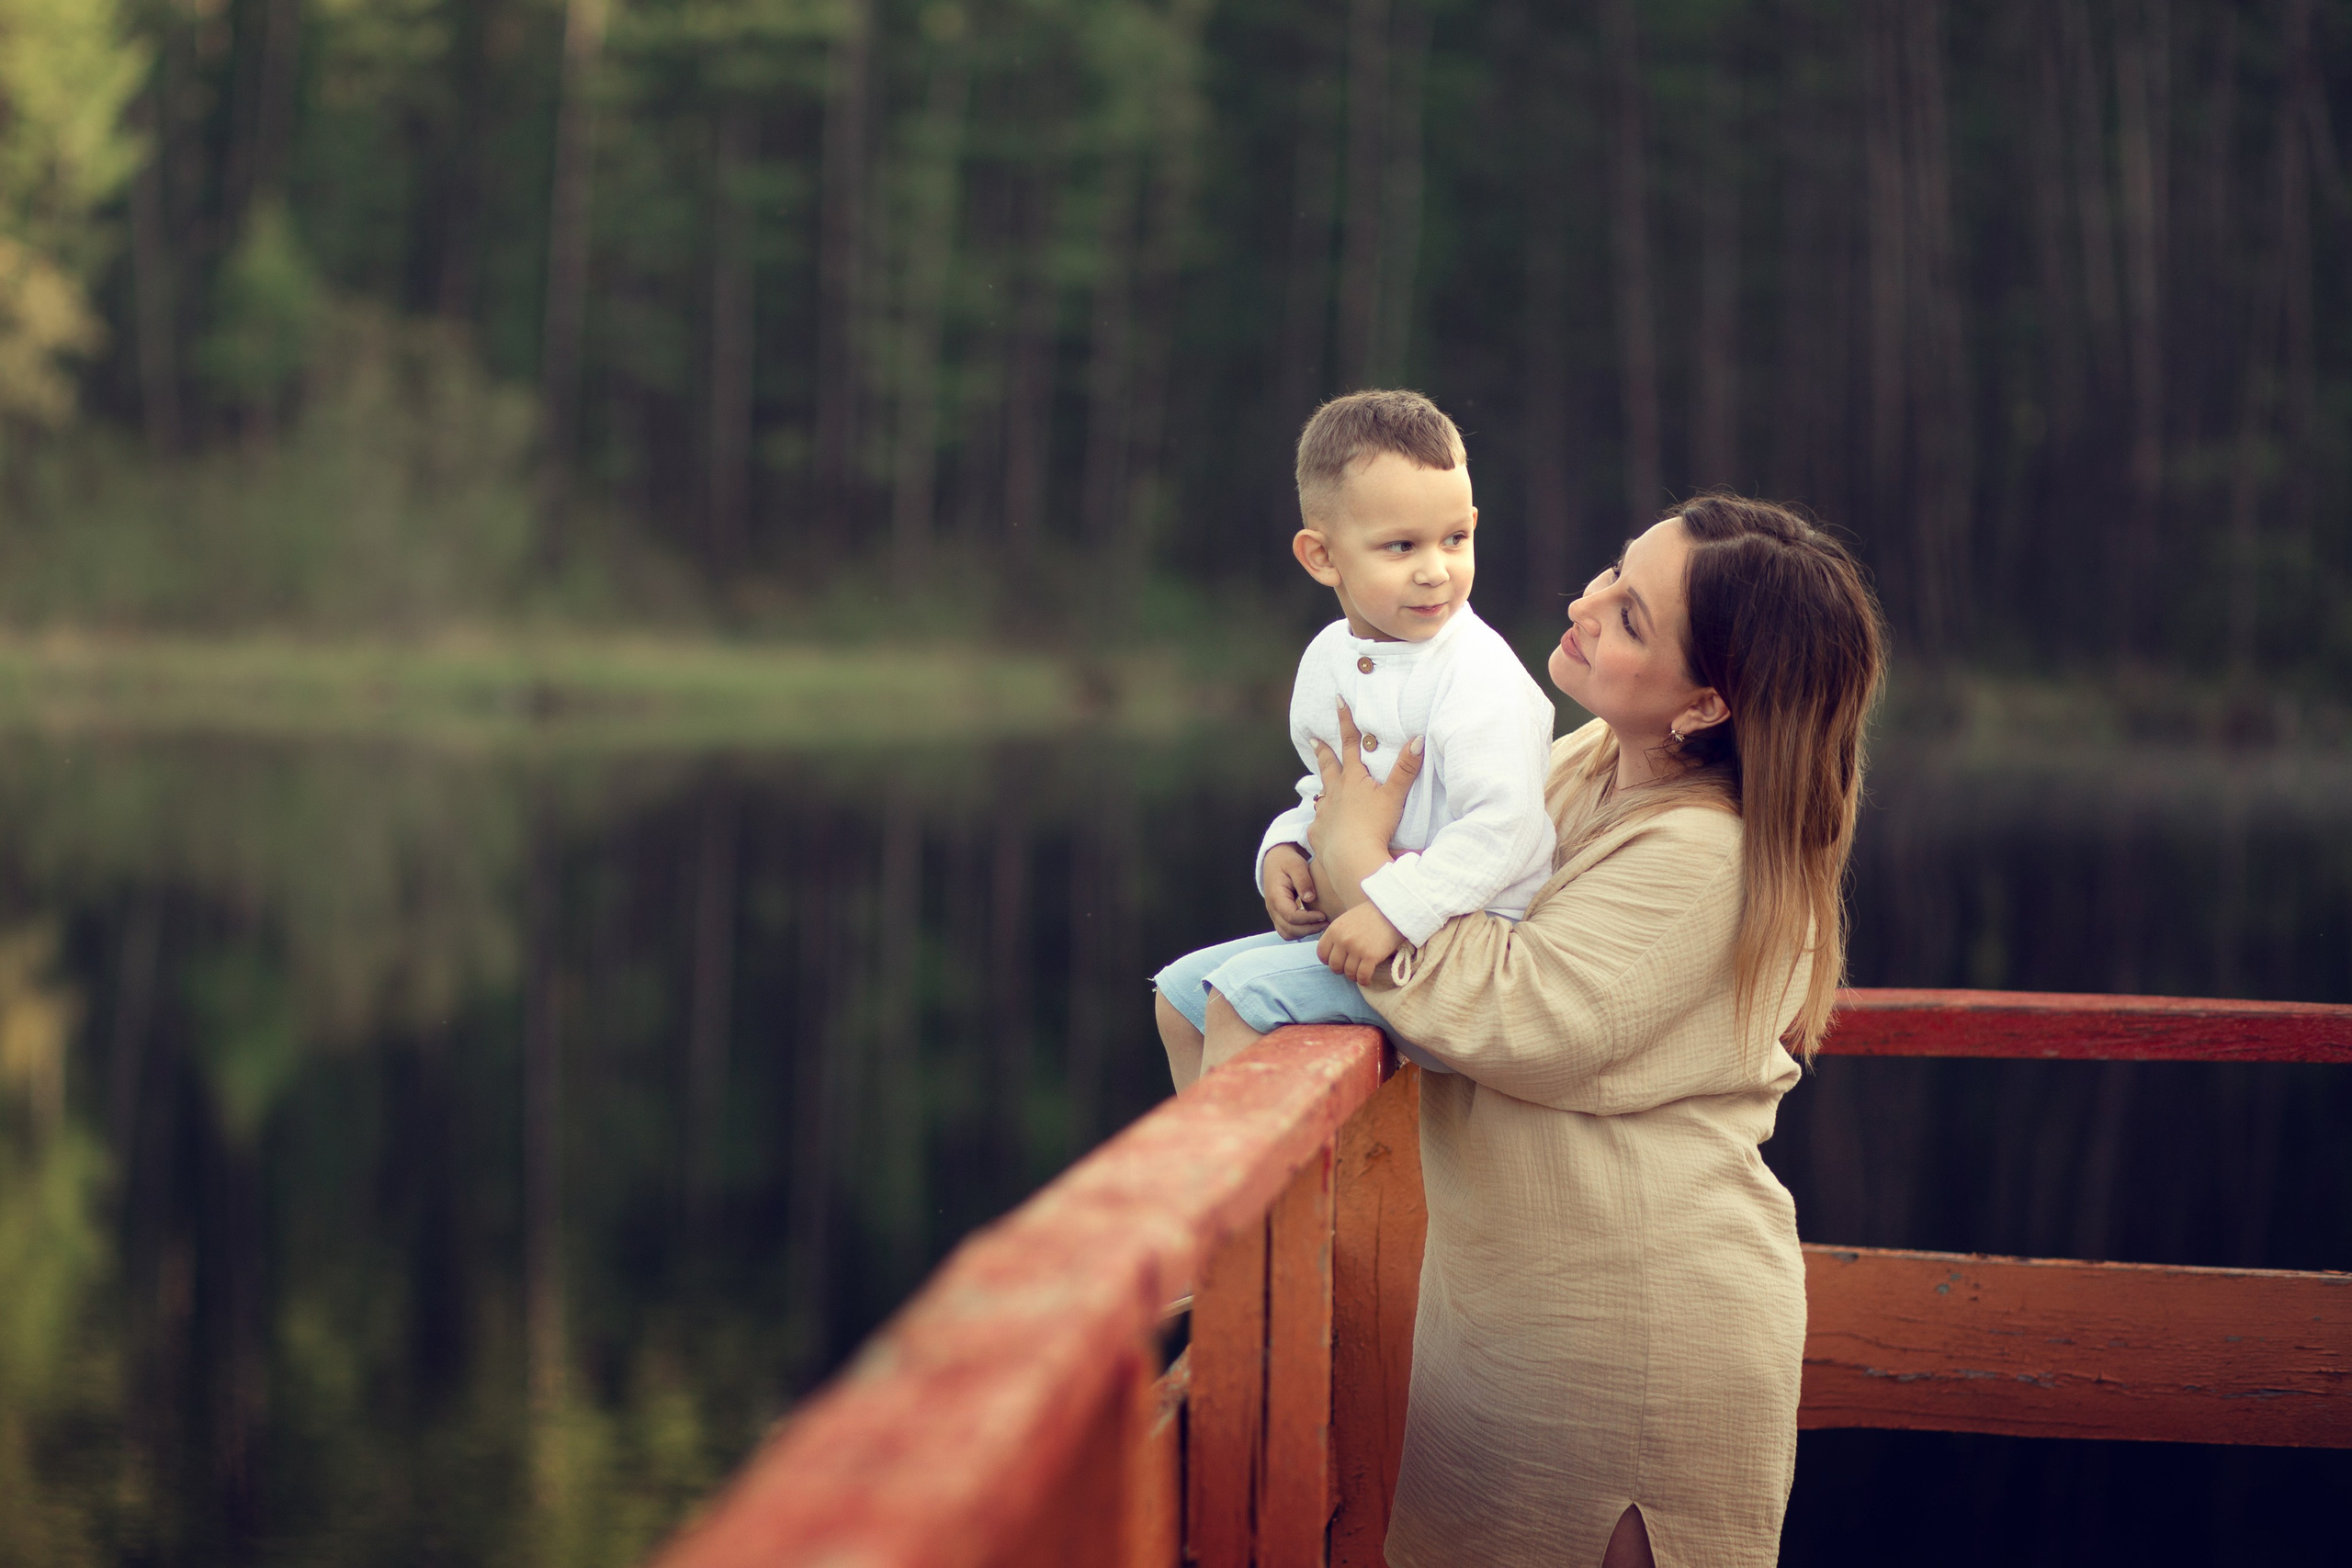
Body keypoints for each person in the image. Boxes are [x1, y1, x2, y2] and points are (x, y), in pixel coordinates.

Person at [1222, 493, 1885, 1568]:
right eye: (1610, 574)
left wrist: (1357, 865)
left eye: (1629, 617)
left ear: (1707, 703)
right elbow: (1407, 838)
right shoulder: (1582, 765)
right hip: (1504, 1320)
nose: (1583, 604)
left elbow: (1505, 1009)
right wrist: (1298, 851)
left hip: (1628, 1337)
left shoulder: (1704, 858)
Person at [1151, 389, 1555, 1089]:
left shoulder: (1478, 673)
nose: (1436, 569)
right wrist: (1287, 846)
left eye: (1455, 539)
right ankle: (1204, 1182)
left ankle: (1258, 1196)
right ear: (1322, 556)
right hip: (1366, 917)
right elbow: (1326, 789)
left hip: (1466, 938)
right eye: (1401, 546)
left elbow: (1506, 828)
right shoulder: (1328, 661)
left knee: (1242, 999)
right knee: (1181, 995)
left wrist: (1399, 912)